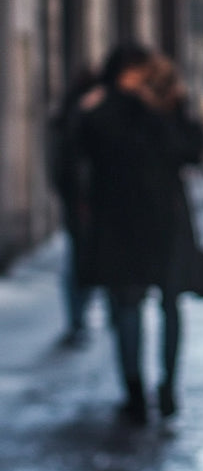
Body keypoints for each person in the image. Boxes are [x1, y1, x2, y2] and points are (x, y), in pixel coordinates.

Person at [76, 45, 203, 424]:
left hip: (138, 221)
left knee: (147, 305)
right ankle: (148, 390)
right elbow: (191, 149)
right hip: (145, 221)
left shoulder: (120, 108)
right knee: (144, 306)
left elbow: (192, 151)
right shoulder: (140, 108)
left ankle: (153, 391)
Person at [47, 67, 102, 347]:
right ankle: (79, 318)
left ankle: (79, 317)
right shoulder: (79, 121)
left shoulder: (72, 119)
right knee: (80, 261)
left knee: (81, 260)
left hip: (83, 203)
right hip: (84, 203)